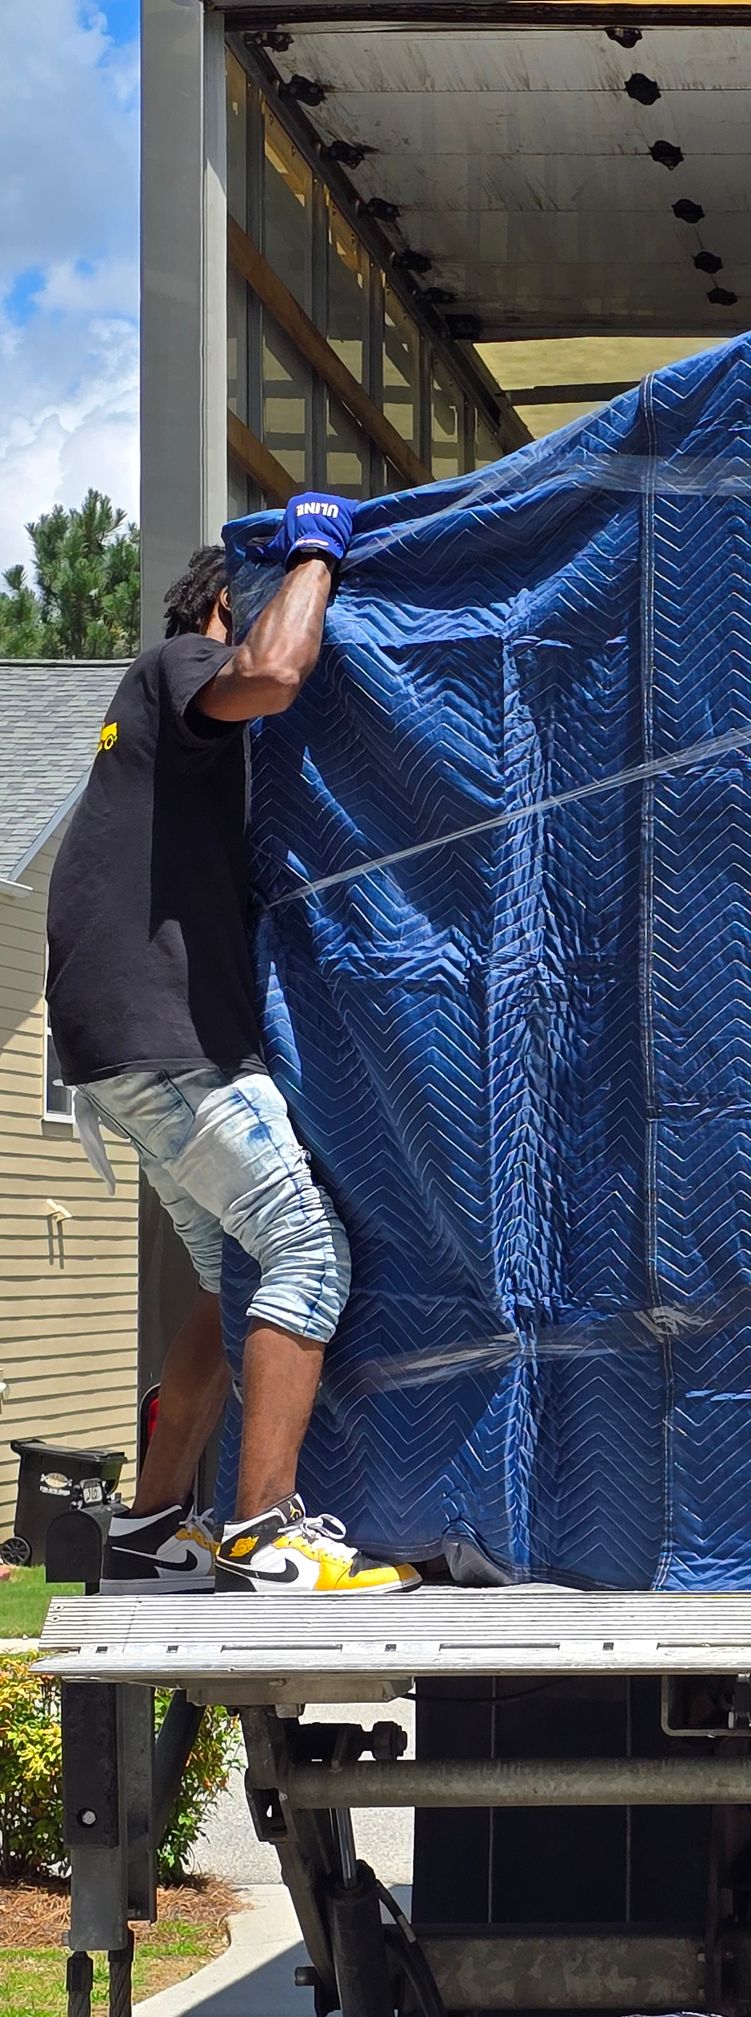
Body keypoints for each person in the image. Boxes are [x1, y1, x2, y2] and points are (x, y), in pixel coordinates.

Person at [45, 493, 419, 1597]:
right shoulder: (174, 668)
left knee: (227, 1279)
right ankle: (264, 1531)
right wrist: (315, 550)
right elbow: (277, 674)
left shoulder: (153, 734)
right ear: (224, 604)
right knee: (304, 1248)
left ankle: (152, 1524)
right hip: (163, 1035)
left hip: (118, 1039)